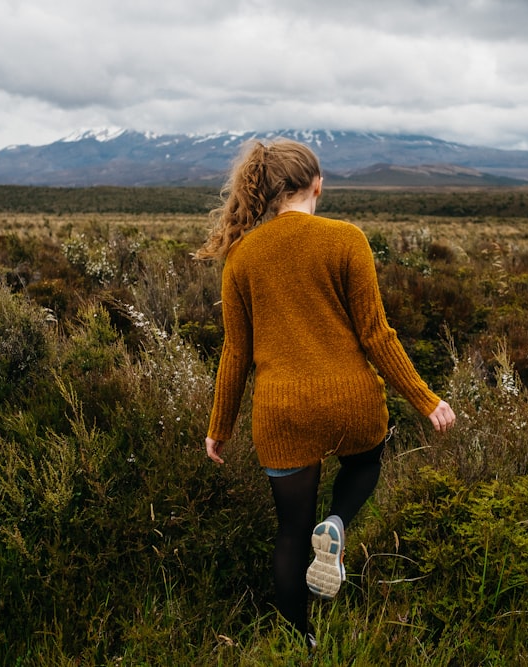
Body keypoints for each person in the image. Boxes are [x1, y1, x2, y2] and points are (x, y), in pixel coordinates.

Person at [196, 138, 456, 645]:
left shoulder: (241, 257)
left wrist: (218, 428)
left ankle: (299, 644)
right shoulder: (347, 239)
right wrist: (427, 399)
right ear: (318, 185)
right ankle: (336, 523)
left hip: (281, 413)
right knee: (366, 461)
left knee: (291, 533)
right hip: (351, 402)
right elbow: (377, 335)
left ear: (266, 193)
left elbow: (235, 353)